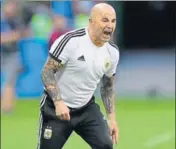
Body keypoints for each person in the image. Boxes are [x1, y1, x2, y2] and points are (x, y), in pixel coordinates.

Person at [37, 3, 120, 149]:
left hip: (86, 109)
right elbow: (46, 72)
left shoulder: (112, 52)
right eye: (105, 20)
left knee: (106, 145)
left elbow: (107, 86)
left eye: (113, 21)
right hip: (56, 109)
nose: (110, 26)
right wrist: (58, 102)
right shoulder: (71, 41)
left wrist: (111, 119)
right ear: (91, 21)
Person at [1, 1, 29, 113]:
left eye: (13, 6)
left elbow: (21, 34)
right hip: (3, 53)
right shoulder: (2, 20)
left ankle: (7, 108)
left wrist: (8, 37)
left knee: (9, 82)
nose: (11, 8)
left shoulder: (15, 21)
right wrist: (10, 37)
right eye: (9, 6)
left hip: (12, 54)